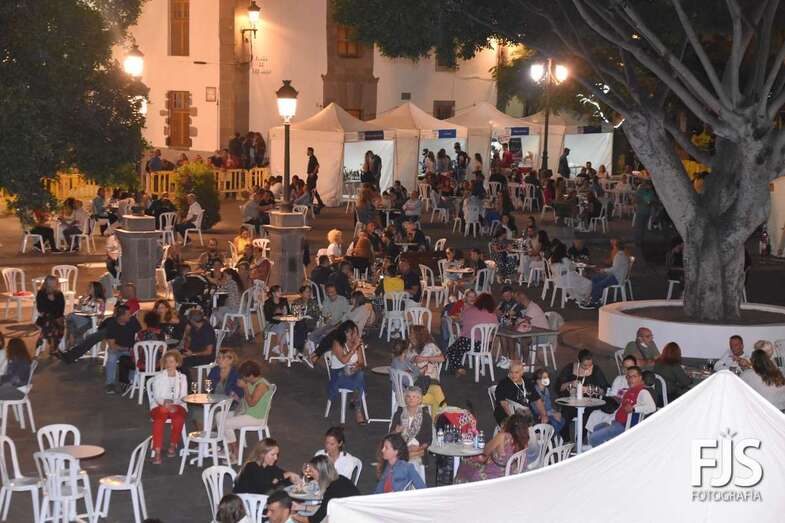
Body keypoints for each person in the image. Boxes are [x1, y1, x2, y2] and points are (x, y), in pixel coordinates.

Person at [589, 366, 657, 447]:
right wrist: (610, 421)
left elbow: (652, 407)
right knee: (597, 427)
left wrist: (634, 409)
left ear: (640, 378)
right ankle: (610, 449)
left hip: (626, 427)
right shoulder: (629, 391)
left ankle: (607, 452)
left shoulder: (643, 392)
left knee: (593, 438)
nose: (630, 379)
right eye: (628, 377)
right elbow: (620, 409)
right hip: (617, 422)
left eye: (634, 376)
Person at [455, 413, 529, 483]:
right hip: (509, 475)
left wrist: (501, 432)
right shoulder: (523, 442)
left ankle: (460, 488)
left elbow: (485, 451)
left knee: (465, 463)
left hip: (493, 476)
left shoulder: (502, 436)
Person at [224, 360, 274, 461]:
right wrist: (237, 398)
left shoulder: (261, 385)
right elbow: (246, 400)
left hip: (256, 417)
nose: (243, 378)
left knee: (224, 424)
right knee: (219, 416)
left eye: (244, 376)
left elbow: (252, 403)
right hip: (247, 413)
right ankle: (229, 448)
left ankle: (235, 451)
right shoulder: (252, 382)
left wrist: (245, 388)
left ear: (251, 375)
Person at [293, 455, 360, 523]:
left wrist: (292, 515)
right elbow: (324, 508)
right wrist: (301, 507)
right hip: (358, 514)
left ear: (320, 473)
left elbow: (313, 520)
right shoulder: (341, 478)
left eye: (311, 471)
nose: (310, 475)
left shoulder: (331, 491)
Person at [150, 350, 188, 464]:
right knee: (160, 416)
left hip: (178, 404)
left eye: (171, 362)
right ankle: (157, 451)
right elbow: (156, 396)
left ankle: (173, 444)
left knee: (179, 418)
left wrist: (173, 404)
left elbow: (183, 396)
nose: (168, 364)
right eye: (166, 362)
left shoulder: (182, 377)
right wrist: (165, 403)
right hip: (160, 405)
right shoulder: (159, 376)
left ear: (177, 363)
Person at [446, 293, 497, 377]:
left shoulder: (470, 310)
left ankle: (458, 367)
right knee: (458, 347)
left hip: (469, 343)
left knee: (451, 350)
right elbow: (495, 326)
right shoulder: (493, 315)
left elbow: (461, 320)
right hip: (485, 345)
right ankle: (459, 367)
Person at [326, 321, 367, 424]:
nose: (355, 335)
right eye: (353, 332)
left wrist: (357, 367)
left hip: (352, 374)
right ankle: (358, 410)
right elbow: (344, 360)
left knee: (360, 374)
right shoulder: (337, 343)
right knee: (360, 383)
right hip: (339, 376)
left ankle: (356, 404)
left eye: (356, 332)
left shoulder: (356, 344)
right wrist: (354, 348)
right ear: (346, 332)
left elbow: (362, 363)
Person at [234, 438, 301, 495]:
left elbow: (280, 475)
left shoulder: (268, 466)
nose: (276, 458)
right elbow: (265, 487)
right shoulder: (251, 466)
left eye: (277, 454)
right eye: (273, 454)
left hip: (259, 496)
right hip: (248, 500)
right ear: (262, 454)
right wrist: (287, 475)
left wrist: (291, 478)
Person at [104, 304, 141, 394]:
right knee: (112, 358)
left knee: (138, 357)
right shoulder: (112, 325)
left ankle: (131, 381)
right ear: (121, 316)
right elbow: (112, 345)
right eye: (128, 314)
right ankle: (110, 383)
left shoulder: (133, 320)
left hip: (130, 348)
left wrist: (137, 345)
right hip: (117, 348)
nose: (130, 316)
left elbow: (141, 334)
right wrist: (127, 349)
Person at [391, 386, 433, 464]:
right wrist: (396, 432)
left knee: (408, 459)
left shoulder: (426, 417)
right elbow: (390, 436)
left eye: (414, 397)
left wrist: (418, 448)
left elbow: (429, 440)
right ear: (405, 399)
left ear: (420, 400)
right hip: (401, 448)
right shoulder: (399, 414)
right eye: (408, 396)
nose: (411, 399)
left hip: (418, 451)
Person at [588, 241, 631, 306]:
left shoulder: (618, 256)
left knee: (599, 284)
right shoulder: (624, 255)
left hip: (616, 278)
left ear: (616, 247)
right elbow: (616, 268)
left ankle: (593, 301)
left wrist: (603, 270)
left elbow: (614, 269)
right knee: (595, 278)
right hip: (618, 276)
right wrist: (604, 270)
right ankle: (596, 297)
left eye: (614, 246)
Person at [180, 309, 217, 383]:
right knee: (174, 356)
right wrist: (186, 333)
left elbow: (209, 352)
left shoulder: (207, 330)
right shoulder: (194, 328)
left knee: (181, 362)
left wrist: (192, 354)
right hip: (193, 352)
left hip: (205, 356)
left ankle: (188, 383)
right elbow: (187, 344)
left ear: (191, 320)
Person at [66, 281, 106, 345]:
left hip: (91, 321)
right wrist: (81, 301)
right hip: (82, 319)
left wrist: (84, 313)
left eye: (90, 287)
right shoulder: (87, 299)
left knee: (71, 318)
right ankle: (74, 340)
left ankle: (72, 337)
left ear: (95, 289)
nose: (88, 288)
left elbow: (99, 314)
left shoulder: (100, 301)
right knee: (71, 319)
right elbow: (78, 310)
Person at [493, 361, 531, 425]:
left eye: (516, 372)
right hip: (507, 412)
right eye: (511, 372)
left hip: (523, 410)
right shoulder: (503, 384)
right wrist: (512, 419)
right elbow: (504, 404)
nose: (513, 375)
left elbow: (536, 399)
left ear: (522, 372)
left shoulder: (527, 382)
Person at [35, 275, 66, 357]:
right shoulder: (41, 293)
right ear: (46, 284)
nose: (52, 286)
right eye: (50, 283)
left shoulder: (59, 294)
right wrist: (50, 301)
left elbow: (61, 310)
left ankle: (43, 337)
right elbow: (41, 308)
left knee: (53, 323)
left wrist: (53, 301)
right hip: (44, 318)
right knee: (49, 320)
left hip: (57, 318)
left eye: (54, 283)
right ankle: (53, 347)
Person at [530, 368, 565, 432]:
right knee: (554, 423)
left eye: (547, 377)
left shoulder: (546, 390)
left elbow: (549, 406)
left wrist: (555, 412)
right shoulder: (534, 392)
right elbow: (536, 410)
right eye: (544, 377)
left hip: (549, 412)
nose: (547, 379)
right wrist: (552, 414)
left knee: (562, 420)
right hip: (539, 415)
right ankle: (552, 436)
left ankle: (553, 436)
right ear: (538, 380)